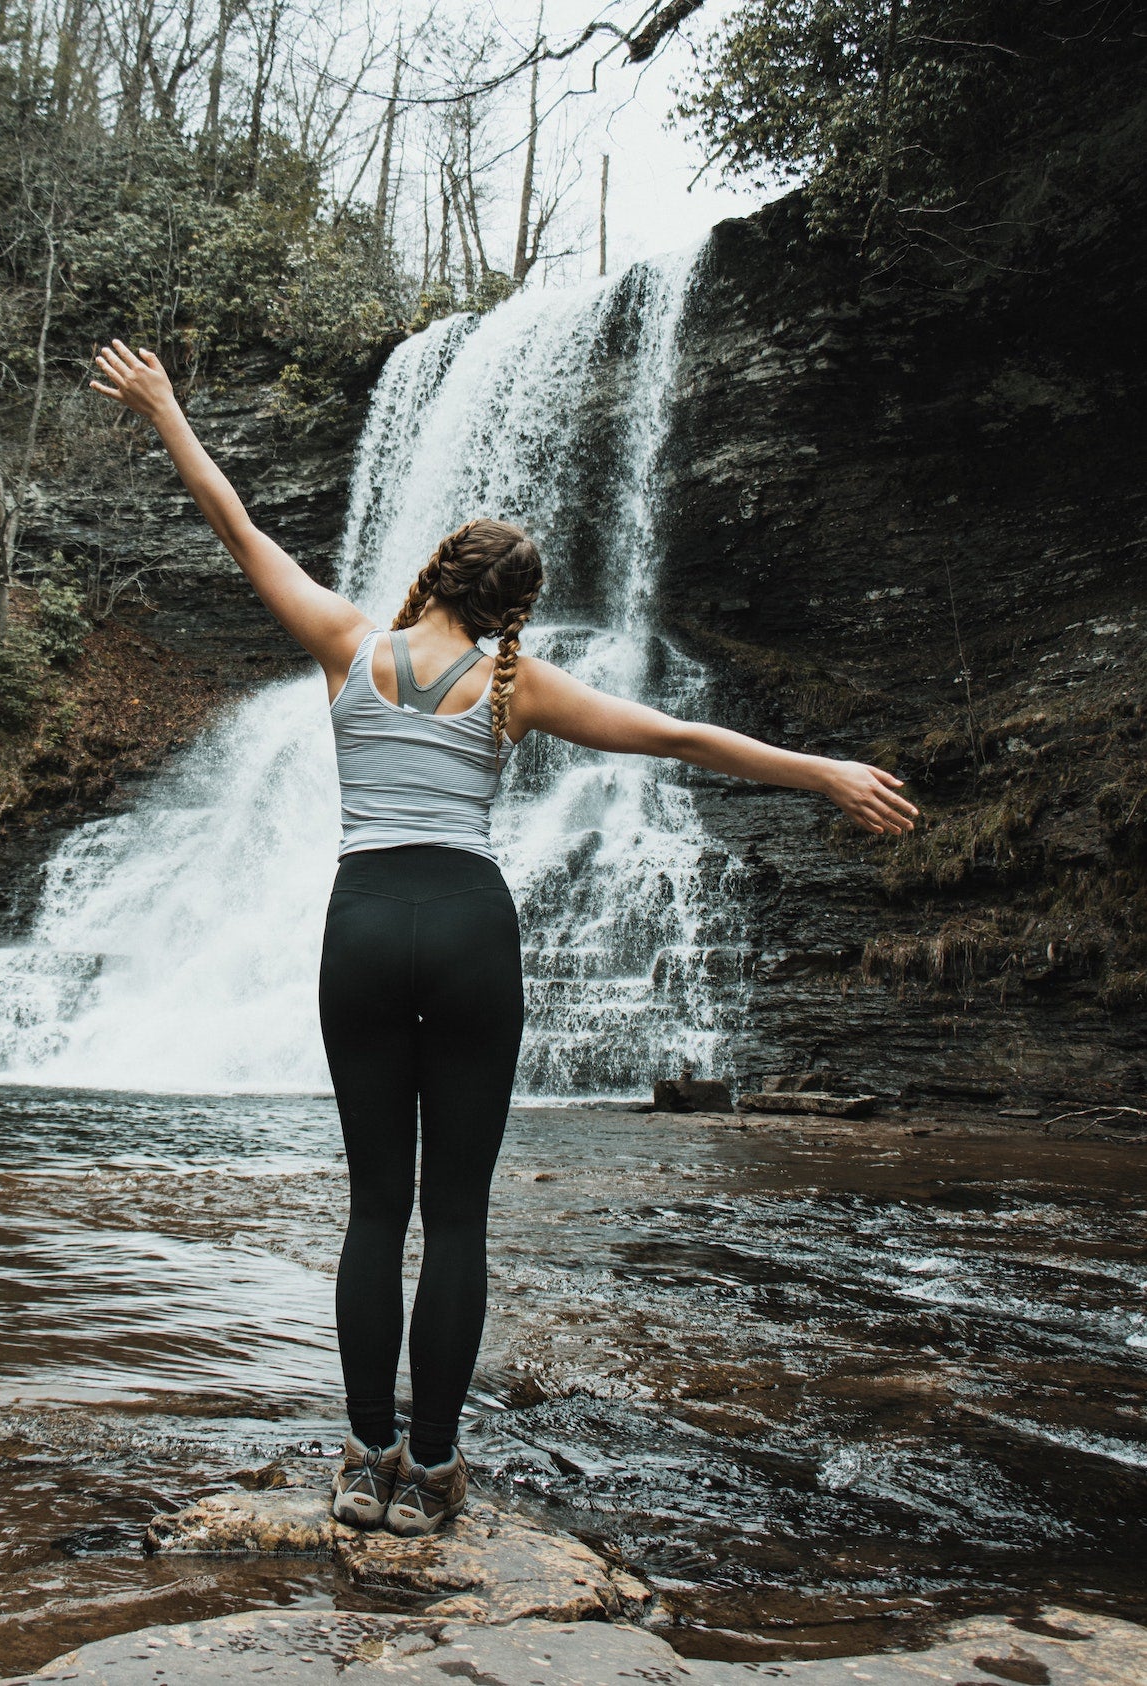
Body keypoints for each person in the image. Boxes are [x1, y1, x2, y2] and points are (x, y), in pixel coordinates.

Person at [90, 339, 918, 1538]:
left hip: (363, 922)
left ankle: (360, 1459)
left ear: (431, 577)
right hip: (472, 930)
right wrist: (824, 773)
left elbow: (233, 520)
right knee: (458, 1216)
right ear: (516, 609)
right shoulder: (520, 687)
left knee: (375, 1209)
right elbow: (683, 738)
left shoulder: (346, 643)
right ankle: (433, 1474)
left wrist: (166, 407)